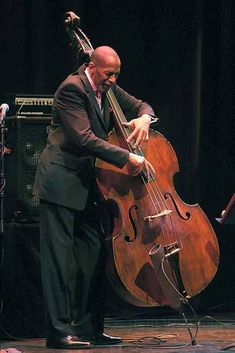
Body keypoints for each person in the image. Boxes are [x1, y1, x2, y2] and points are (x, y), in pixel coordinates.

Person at [33, 46, 156, 349]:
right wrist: (128, 157)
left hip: (89, 187)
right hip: (60, 184)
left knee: (94, 257)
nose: (113, 80)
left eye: (117, 74)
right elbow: (84, 139)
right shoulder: (71, 89)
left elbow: (142, 105)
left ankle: (89, 329)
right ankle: (58, 333)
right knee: (59, 263)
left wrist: (144, 119)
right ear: (92, 67)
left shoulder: (108, 88)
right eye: (108, 73)